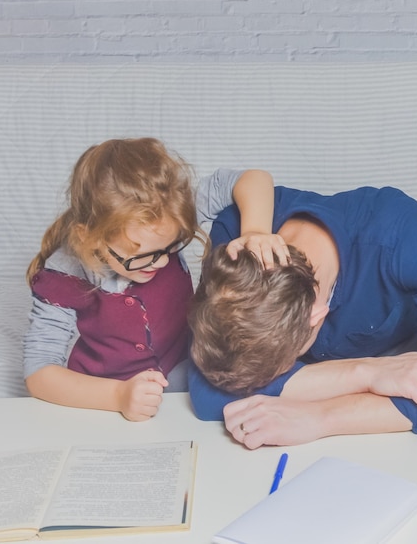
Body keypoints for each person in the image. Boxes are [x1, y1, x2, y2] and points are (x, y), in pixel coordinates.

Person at [188, 184, 417, 477]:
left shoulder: (399, 231)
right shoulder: (236, 238)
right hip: (335, 368)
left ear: (318, 316)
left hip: (405, 351)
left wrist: (322, 418)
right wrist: (366, 374)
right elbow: (208, 391)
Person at [24, 137, 289, 422]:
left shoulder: (169, 213)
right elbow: (38, 373)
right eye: (140, 255)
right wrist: (117, 396)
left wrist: (255, 231)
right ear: (90, 238)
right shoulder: (65, 272)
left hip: (185, 369)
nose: (162, 262)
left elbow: (254, 179)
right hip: (107, 391)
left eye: (171, 247)